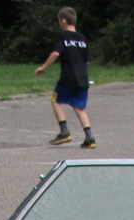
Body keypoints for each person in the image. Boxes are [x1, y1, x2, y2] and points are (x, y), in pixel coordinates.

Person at [35, 7, 95, 148]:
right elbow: (86, 61)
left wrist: (43, 68)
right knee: (79, 107)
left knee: (56, 100)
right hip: (82, 77)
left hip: (68, 76)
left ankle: (64, 132)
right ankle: (90, 138)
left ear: (63, 20)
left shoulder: (62, 36)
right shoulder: (82, 38)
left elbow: (56, 53)